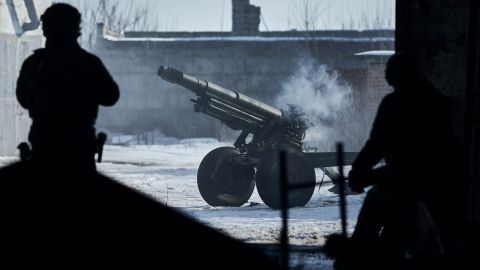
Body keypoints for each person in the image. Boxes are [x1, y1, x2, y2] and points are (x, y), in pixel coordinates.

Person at [324, 53, 461, 269]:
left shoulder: (395, 103)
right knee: (447, 238)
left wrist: (360, 171)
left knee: (381, 209)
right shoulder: (436, 100)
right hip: (436, 178)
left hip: (408, 179)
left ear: (396, 77)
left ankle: (361, 252)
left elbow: (378, 144)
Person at [16, 3, 119, 172]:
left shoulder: (34, 64)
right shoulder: (89, 63)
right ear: (76, 29)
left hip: (44, 149)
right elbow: (111, 96)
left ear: (46, 30)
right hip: (79, 152)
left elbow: (23, 100)